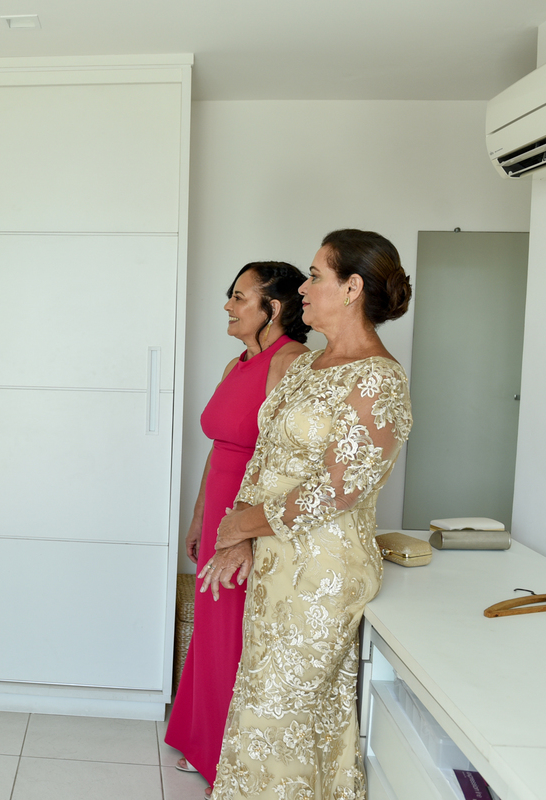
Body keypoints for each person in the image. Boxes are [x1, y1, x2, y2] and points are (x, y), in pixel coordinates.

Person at [200, 229, 413, 800]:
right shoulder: (306, 366)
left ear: (351, 288)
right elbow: (264, 456)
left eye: (315, 276)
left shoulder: (379, 378)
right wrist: (240, 536)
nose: (303, 288)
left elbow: (338, 490)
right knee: (271, 716)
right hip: (276, 569)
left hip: (323, 577)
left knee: (278, 721)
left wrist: (241, 525)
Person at [166, 262, 310, 789]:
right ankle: (205, 743)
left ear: (274, 308)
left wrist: (245, 532)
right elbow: (218, 450)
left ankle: (232, 764)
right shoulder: (236, 364)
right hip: (221, 514)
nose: (228, 305)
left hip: (252, 522)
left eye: (239, 296)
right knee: (212, 629)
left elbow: (288, 461)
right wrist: (199, 517)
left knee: (236, 635)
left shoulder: (293, 363)